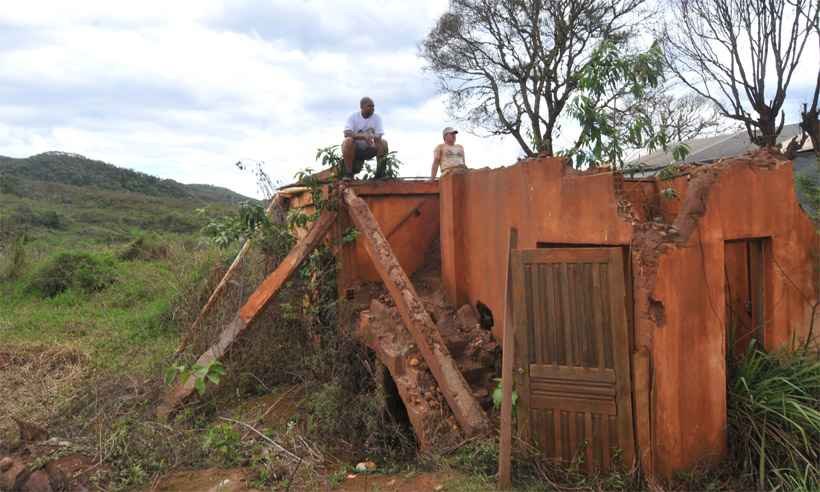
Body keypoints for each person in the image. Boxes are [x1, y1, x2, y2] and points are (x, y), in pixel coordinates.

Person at [342, 97, 389, 178]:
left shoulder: (377, 118)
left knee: (383, 143)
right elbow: (347, 133)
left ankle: (380, 173)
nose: (372, 108)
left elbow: (379, 135)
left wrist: (370, 137)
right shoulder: (353, 117)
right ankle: (348, 174)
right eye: (369, 106)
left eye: (373, 106)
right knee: (348, 141)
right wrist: (363, 136)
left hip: (369, 148)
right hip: (355, 150)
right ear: (362, 107)